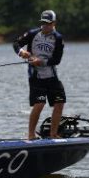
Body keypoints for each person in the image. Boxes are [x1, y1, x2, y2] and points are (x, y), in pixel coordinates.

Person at [12, 9, 66, 140]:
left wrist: (41, 61)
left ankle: (53, 134)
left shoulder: (58, 38)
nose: (45, 26)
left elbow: (57, 60)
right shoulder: (32, 34)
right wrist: (21, 53)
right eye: (43, 23)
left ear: (54, 23)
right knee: (40, 104)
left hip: (52, 76)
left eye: (48, 23)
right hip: (35, 77)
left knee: (60, 102)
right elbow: (16, 43)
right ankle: (31, 135)